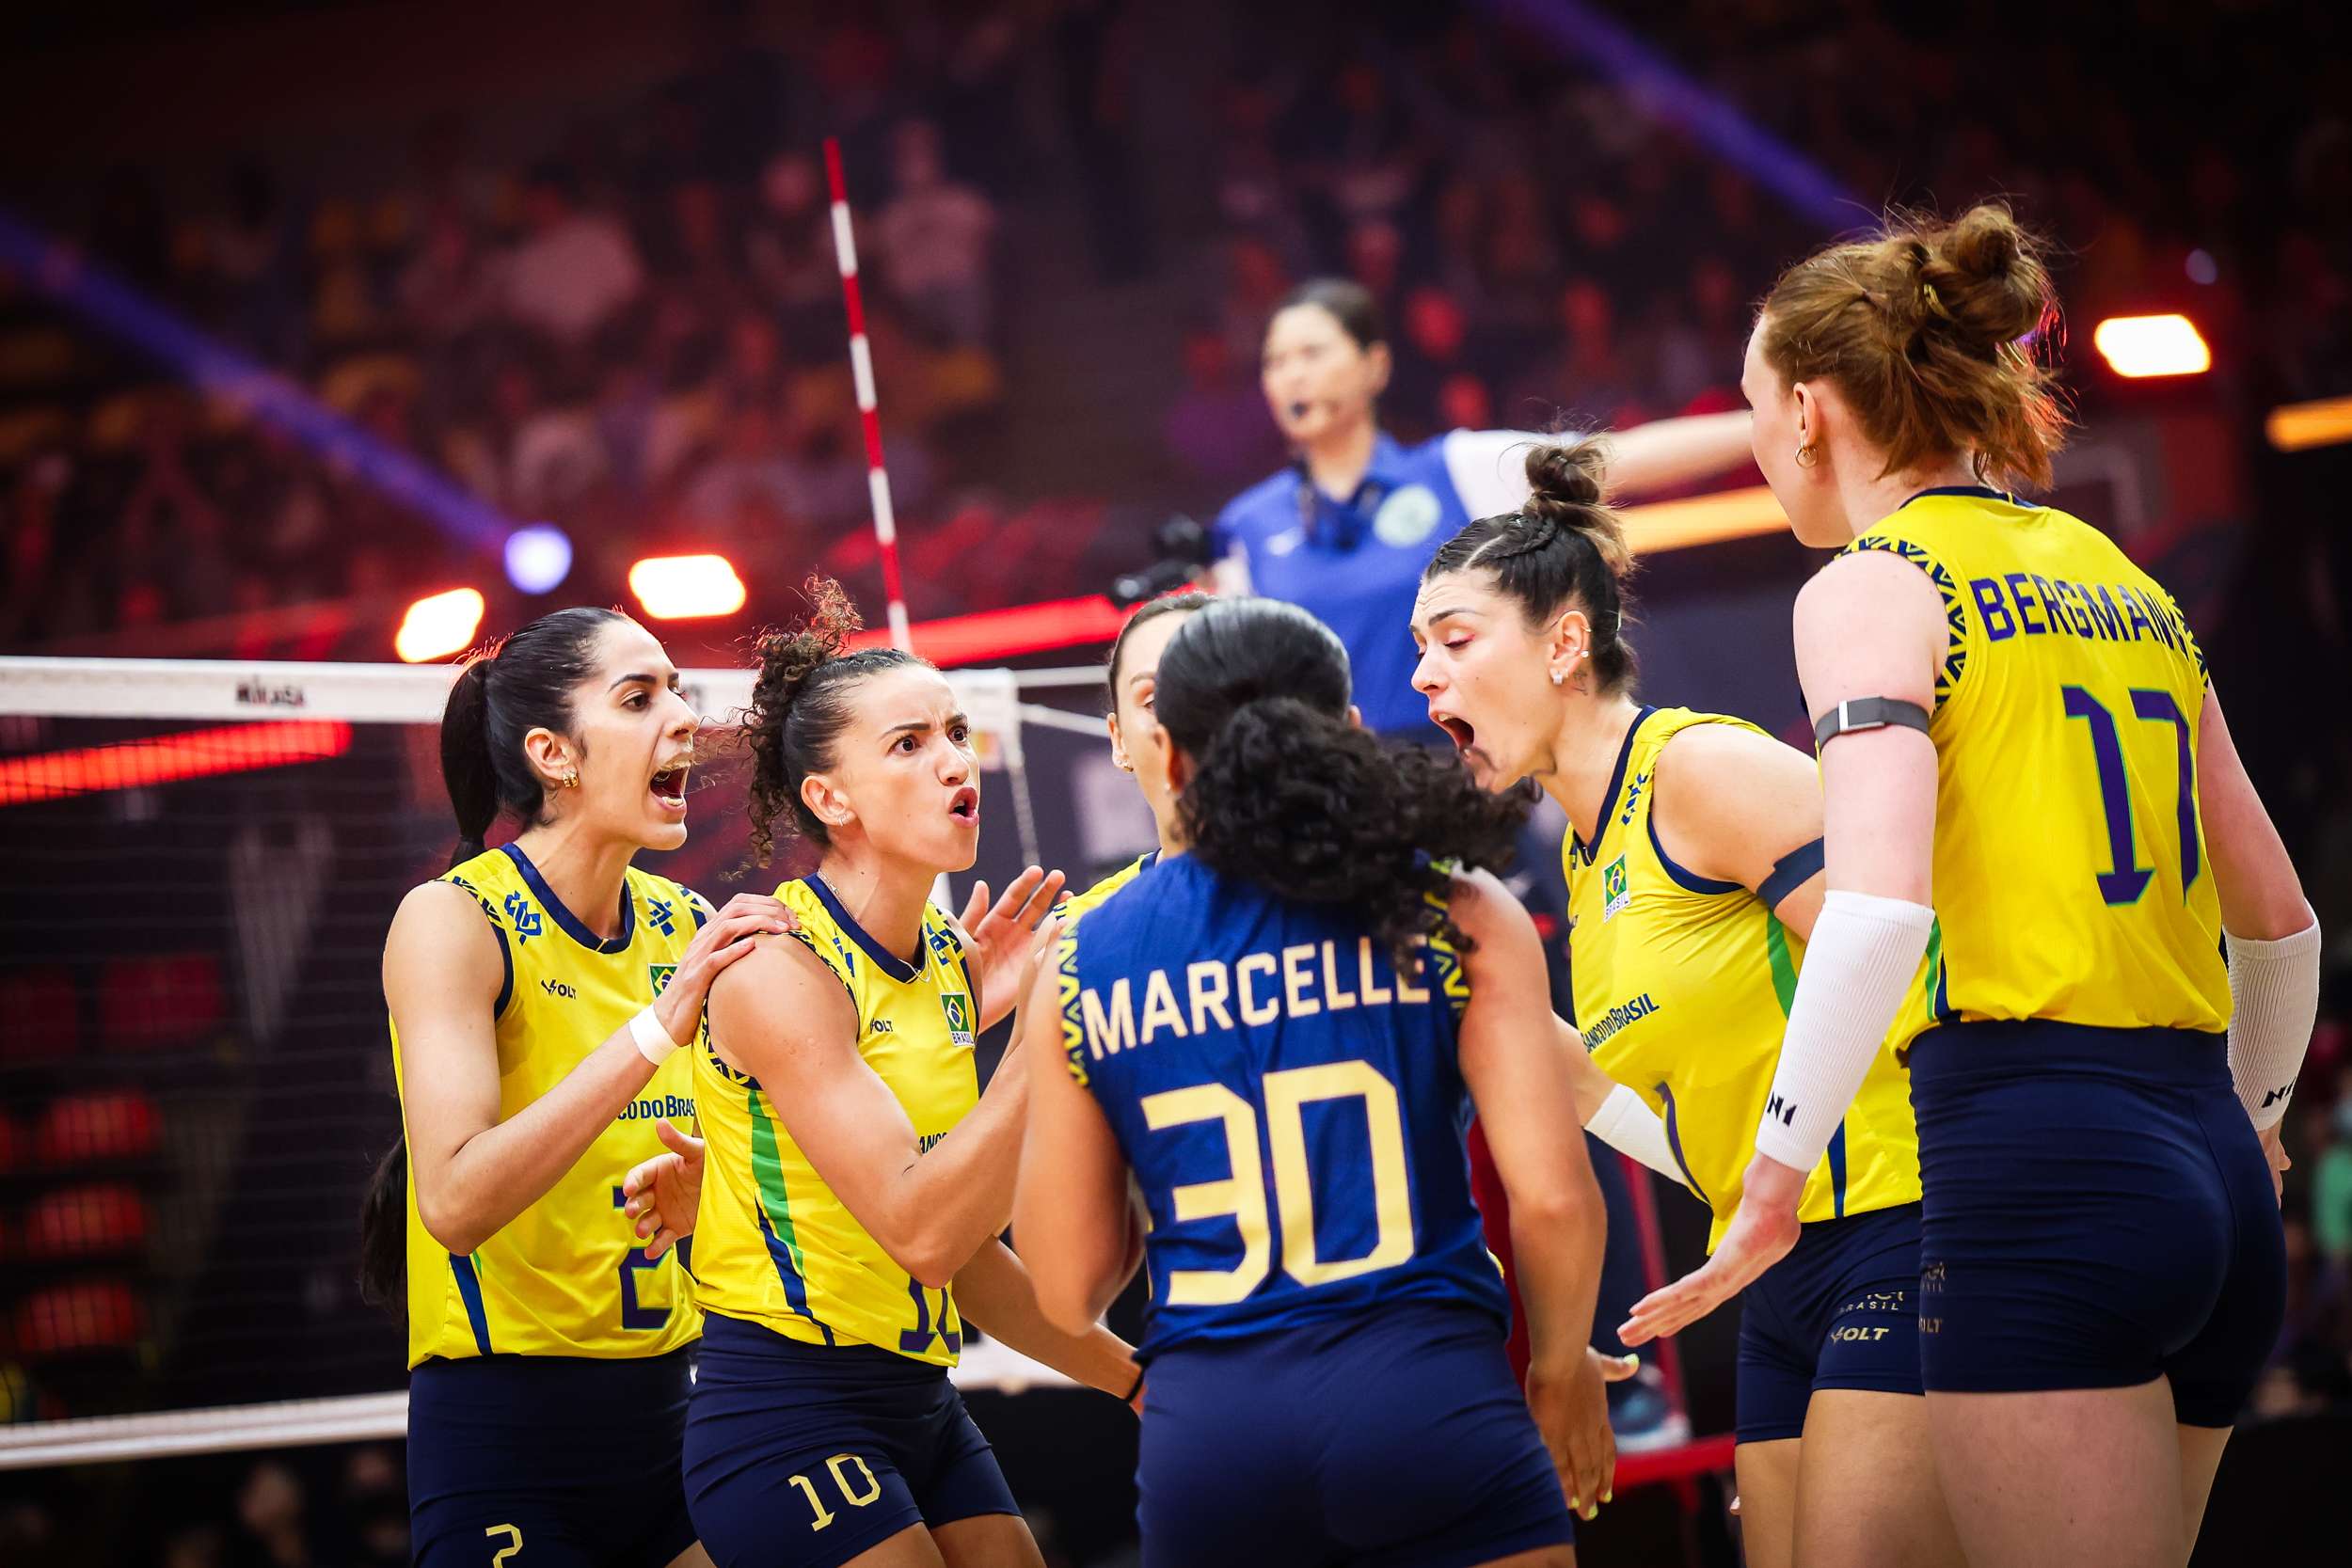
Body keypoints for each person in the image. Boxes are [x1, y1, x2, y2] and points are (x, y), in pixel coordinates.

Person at [1620, 204, 2319, 1568]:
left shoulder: (1873, 582)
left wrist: (1771, 1181)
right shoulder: (2121, 575)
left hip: (2035, 1164)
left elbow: (1880, 909)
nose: (1758, 442)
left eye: (1755, 407)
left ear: (1809, 410)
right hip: (2208, 1169)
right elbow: (2280, 922)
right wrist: (2255, 1123)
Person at [1407, 441, 1961, 1568]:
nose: (1423, 675)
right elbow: (1663, 1111)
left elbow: (1929, 961)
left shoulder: (1698, 769)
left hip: (1905, 1227)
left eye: (1454, 640)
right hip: (1774, 1270)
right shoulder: (1584, 850)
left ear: (1565, 643)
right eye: (1419, 647)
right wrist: (1486, 1002)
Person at [1012, 596, 1625, 1567]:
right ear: (1347, 729)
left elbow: (1064, 1285)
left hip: (1213, 1438)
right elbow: (1554, 1200)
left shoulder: (1081, 959)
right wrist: (1558, 1371)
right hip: (1427, 1399)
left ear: (1167, 750)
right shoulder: (1453, 907)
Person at [675, 578, 1142, 1568]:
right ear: (829, 797)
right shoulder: (777, 968)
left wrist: (1143, 1383)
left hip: (919, 1396)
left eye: (957, 732)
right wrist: (1048, 1030)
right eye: (909, 743)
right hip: (785, 1409)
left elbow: (966, 1259)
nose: (954, 760)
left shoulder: (941, 960)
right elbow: (923, 1231)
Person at [363, 606, 791, 1568]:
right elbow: (454, 1202)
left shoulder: (682, 921)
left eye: (677, 688)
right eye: (638, 697)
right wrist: (655, 1027)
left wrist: (714, 1193)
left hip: (678, 1413)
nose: (683, 714)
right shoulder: (453, 918)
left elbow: (776, 1178)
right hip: (508, 1436)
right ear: (552, 753)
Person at [1212, 277, 1756, 739]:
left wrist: (1771, 423)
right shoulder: (1244, 526)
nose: (1292, 375)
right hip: (1325, 796)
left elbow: (1618, 458)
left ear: (1375, 366)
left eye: (1312, 353)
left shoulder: (1453, 468)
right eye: (1275, 361)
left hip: (1467, 776)